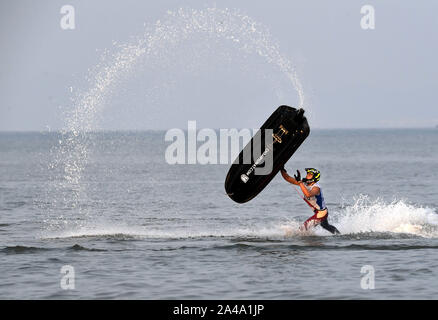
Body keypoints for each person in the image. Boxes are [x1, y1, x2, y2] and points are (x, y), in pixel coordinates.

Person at [280, 167, 340, 235]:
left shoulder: (316, 188)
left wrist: (300, 182)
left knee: (302, 230)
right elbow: (288, 178)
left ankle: (311, 242)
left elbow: (308, 195)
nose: (307, 176)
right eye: (307, 174)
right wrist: (281, 169)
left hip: (321, 213)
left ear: (314, 178)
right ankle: (339, 235)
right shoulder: (304, 183)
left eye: (309, 175)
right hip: (320, 212)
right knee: (325, 226)